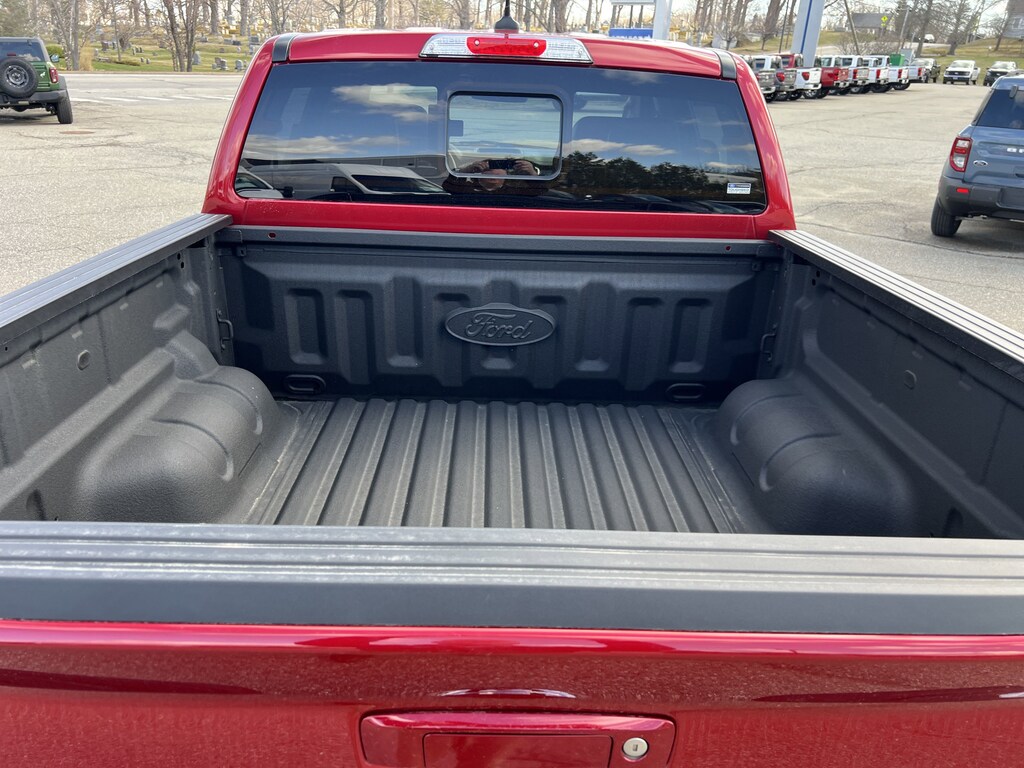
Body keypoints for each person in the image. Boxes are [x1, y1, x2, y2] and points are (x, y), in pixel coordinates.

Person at [443, 158, 540, 193]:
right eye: (488, 169)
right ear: (479, 174)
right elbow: (449, 187)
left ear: (507, 173)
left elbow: (539, 191)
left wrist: (532, 173)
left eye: (498, 168)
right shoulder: (467, 189)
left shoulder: (515, 190)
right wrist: (466, 170)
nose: (493, 172)